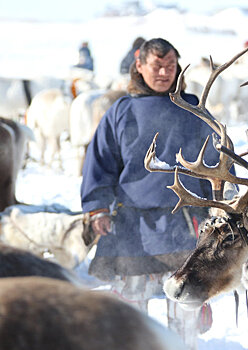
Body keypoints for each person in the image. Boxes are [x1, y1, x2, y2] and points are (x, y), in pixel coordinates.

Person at [81, 38, 219, 345]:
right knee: (132, 312)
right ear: (139, 66)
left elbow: (217, 162)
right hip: (132, 226)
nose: (164, 73)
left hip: (185, 225)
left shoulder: (194, 109)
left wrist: (221, 206)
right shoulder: (122, 110)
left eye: (171, 66)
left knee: (186, 313)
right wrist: (98, 208)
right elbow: (100, 162)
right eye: (157, 66)